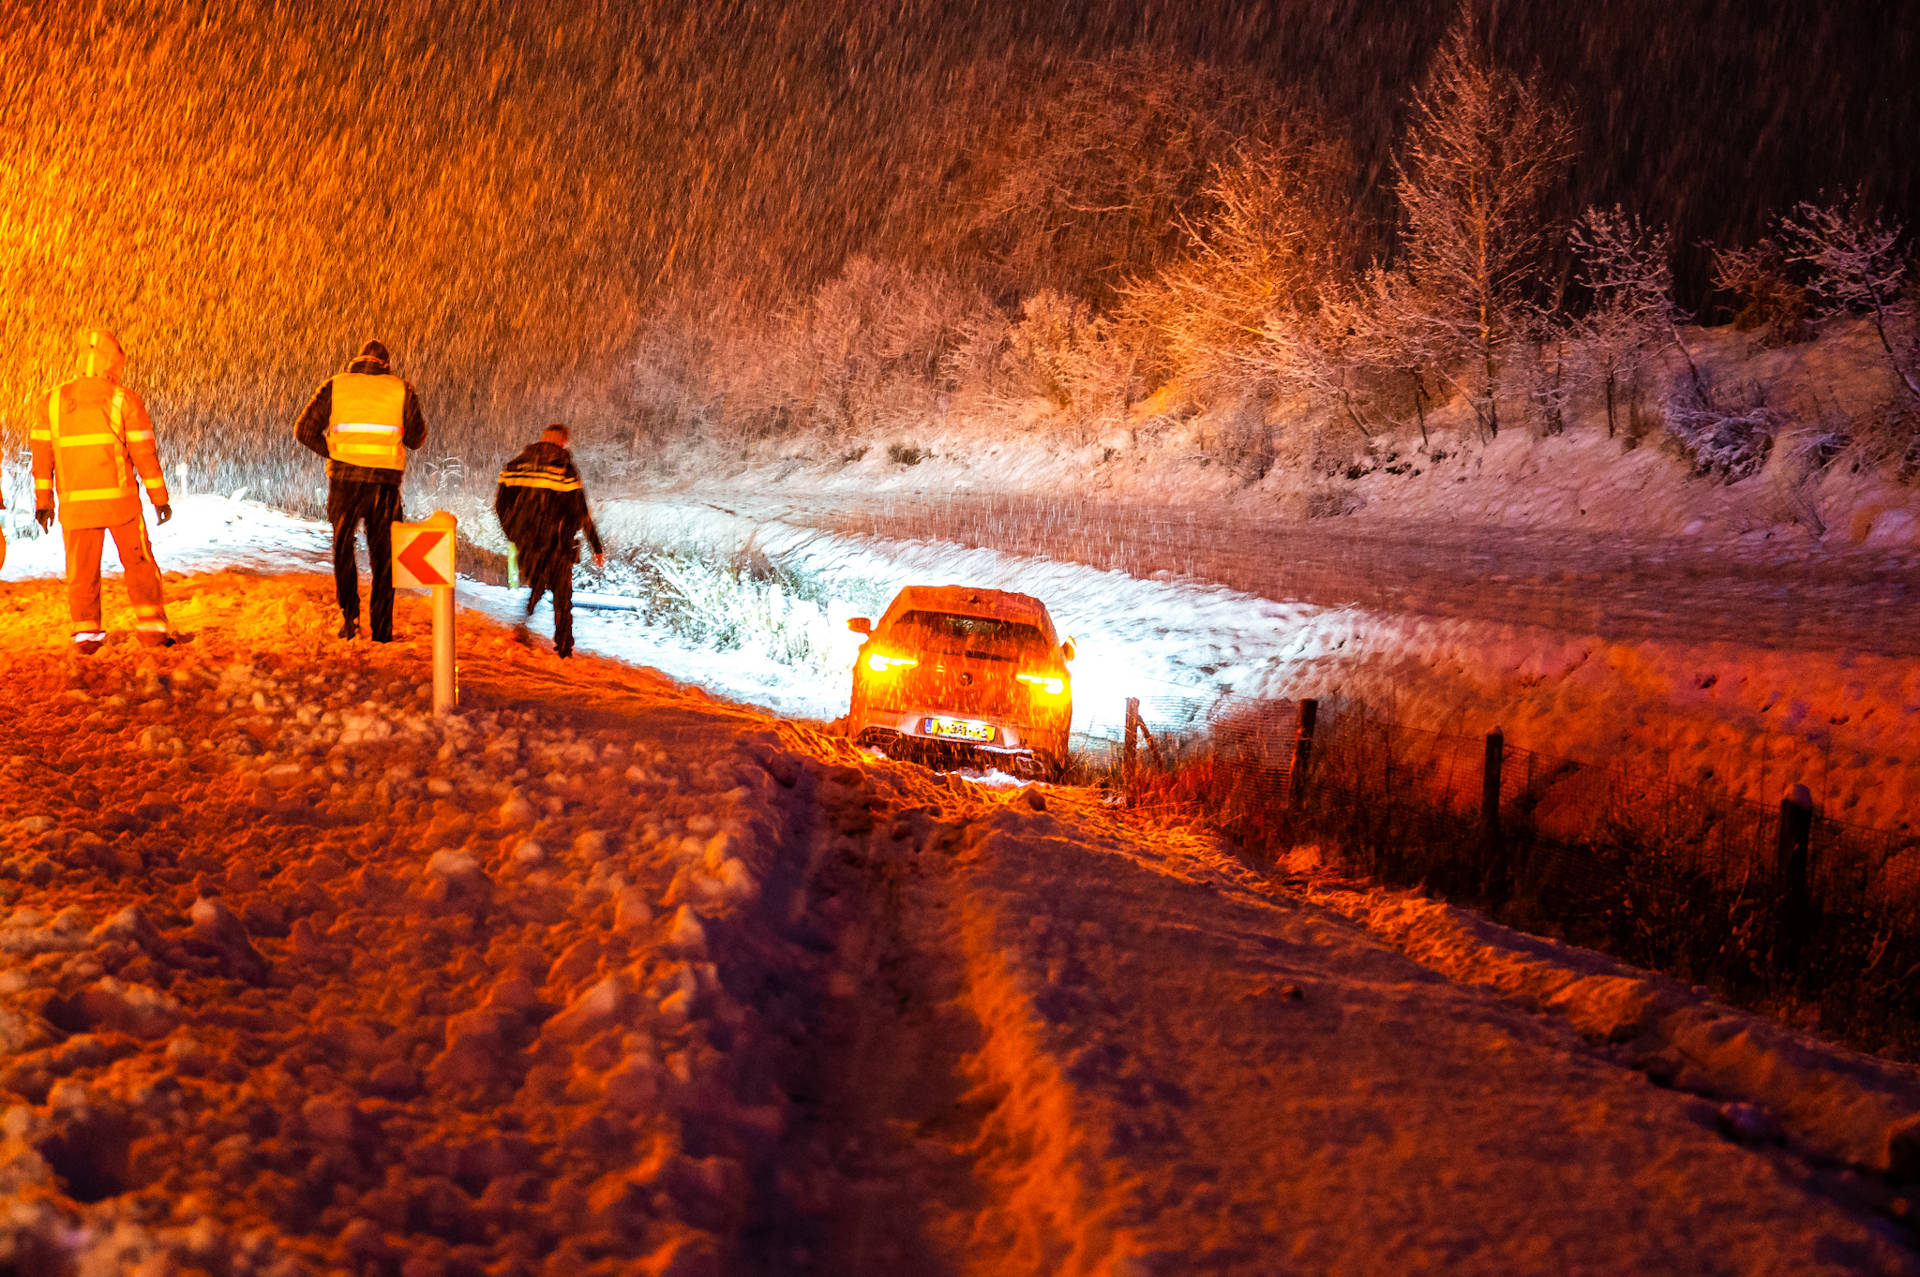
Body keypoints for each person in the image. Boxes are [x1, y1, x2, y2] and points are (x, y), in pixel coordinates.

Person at [31, 329, 174, 654]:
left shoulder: (51, 401)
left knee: (81, 575)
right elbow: (143, 455)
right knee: (140, 567)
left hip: (75, 509)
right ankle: (153, 634)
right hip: (120, 505)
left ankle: (86, 640)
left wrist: (44, 502)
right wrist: (159, 498)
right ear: (113, 362)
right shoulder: (124, 399)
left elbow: (42, 458)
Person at [294, 340, 426, 641]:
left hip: (345, 483)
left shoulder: (336, 385)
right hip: (385, 485)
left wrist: (335, 452)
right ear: (386, 364)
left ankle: (350, 619)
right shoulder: (401, 388)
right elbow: (416, 439)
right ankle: (381, 628)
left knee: (343, 549)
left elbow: (303, 429)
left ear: (356, 361)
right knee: (384, 558)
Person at [494, 424, 604, 659]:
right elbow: (580, 510)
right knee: (562, 596)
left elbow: (500, 504)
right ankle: (564, 648)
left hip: (526, 542)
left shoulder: (516, 465)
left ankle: (523, 627)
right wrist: (596, 546)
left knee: (539, 584)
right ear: (562, 442)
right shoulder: (563, 467)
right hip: (557, 541)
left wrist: (513, 532)